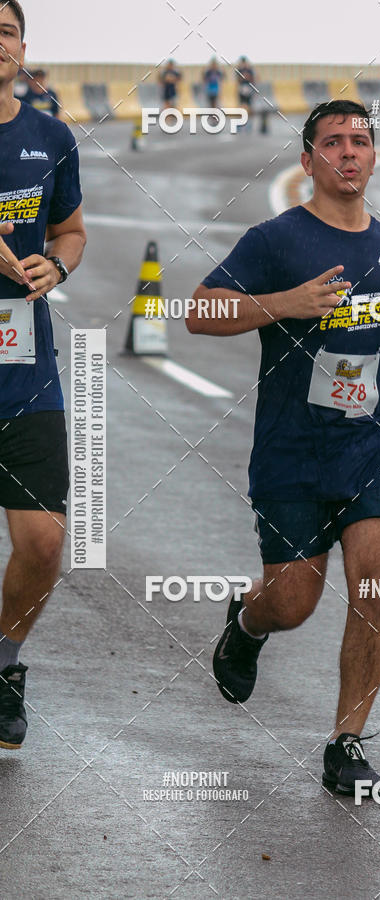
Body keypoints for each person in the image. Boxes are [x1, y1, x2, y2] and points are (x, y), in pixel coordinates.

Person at [186, 99, 380, 795]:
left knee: (377, 580)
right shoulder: (276, 240)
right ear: (309, 158)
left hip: (373, 449)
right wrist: (285, 303)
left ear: (375, 158)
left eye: (362, 142)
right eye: (335, 142)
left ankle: (347, 740)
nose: (350, 152)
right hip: (291, 452)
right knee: (294, 603)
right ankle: (248, 625)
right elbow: (198, 310)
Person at [0, 0, 86, 750]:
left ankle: (2, 666)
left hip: (25, 368)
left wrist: (54, 263)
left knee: (43, 542)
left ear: (22, 45)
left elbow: (72, 228)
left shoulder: (50, 136)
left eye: (3, 30)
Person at [236, 55, 255, 124]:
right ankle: (241, 120)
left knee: (249, 104)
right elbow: (238, 80)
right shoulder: (239, 70)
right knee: (241, 104)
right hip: (242, 87)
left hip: (248, 87)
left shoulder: (249, 69)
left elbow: (252, 79)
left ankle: (250, 120)